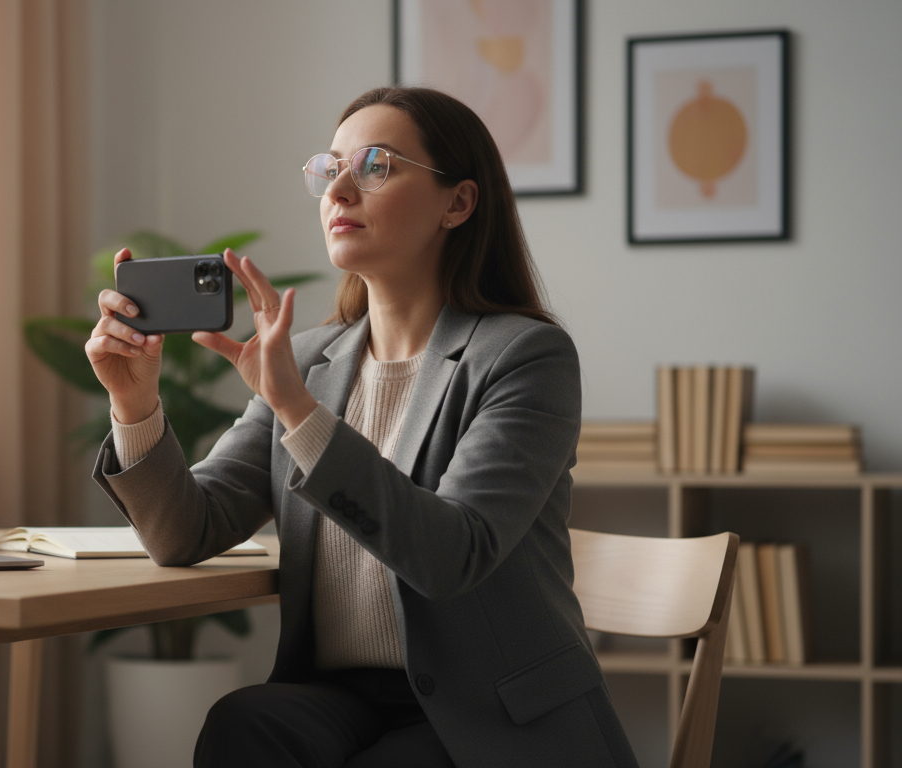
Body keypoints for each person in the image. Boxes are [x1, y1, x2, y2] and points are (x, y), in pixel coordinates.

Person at [86, 86, 639, 768]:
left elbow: (452, 556)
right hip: (340, 697)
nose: (339, 190)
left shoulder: (525, 357)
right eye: (330, 168)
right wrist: (135, 404)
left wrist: (297, 411)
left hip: (491, 712)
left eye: (376, 165)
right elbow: (182, 532)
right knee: (244, 722)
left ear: (457, 203)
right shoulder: (311, 361)